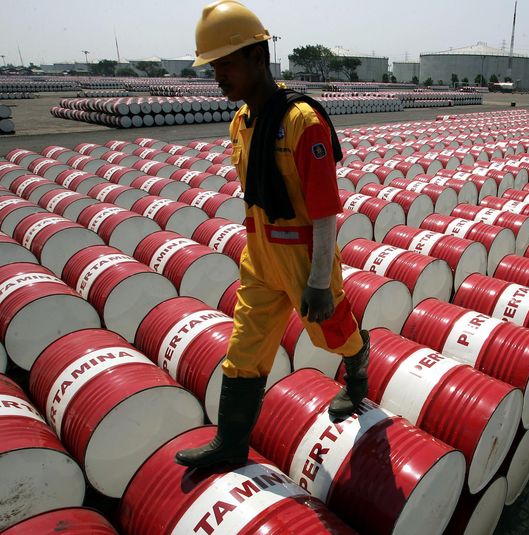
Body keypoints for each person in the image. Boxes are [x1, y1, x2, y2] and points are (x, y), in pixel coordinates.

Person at [176, 0, 370, 468]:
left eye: (225, 64)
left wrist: (320, 281)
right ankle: (231, 443)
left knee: (332, 336)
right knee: (245, 347)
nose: (217, 76)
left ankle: (359, 363)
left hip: (305, 259)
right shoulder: (241, 123)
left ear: (257, 58)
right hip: (260, 256)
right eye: (213, 66)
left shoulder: (303, 122)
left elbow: (324, 213)